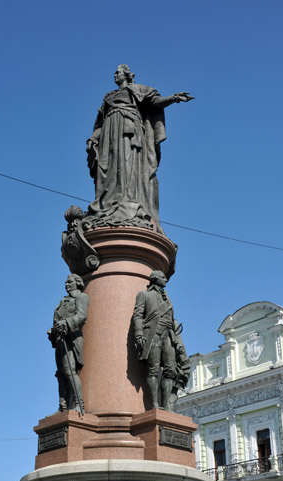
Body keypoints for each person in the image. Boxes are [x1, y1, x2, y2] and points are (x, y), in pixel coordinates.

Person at [85, 65, 194, 231]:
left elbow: (156, 102)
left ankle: (128, 201)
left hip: (128, 129)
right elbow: (100, 123)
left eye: (118, 72)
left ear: (127, 75)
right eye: (114, 73)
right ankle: (108, 205)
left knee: (127, 165)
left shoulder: (138, 89)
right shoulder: (108, 97)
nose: (115, 75)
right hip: (109, 133)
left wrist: (173, 98)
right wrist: (93, 138)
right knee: (106, 167)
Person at [133, 270, 186, 410]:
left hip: (168, 336)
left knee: (170, 370)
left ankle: (166, 406)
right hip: (153, 334)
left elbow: (172, 321)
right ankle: (155, 405)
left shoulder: (167, 299)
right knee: (153, 369)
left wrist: (178, 341)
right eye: (163, 277)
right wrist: (139, 334)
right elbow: (138, 315)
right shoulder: (144, 295)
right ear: (155, 279)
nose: (166, 280)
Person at [47, 274, 89, 412]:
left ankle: (79, 404)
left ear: (78, 283)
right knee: (60, 374)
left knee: (69, 371)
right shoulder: (63, 301)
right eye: (65, 282)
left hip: (72, 337)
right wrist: (53, 330)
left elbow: (81, 316)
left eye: (69, 282)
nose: (66, 284)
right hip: (60, 339)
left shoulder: (81, 297)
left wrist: (66, 323)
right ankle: (63, 407)